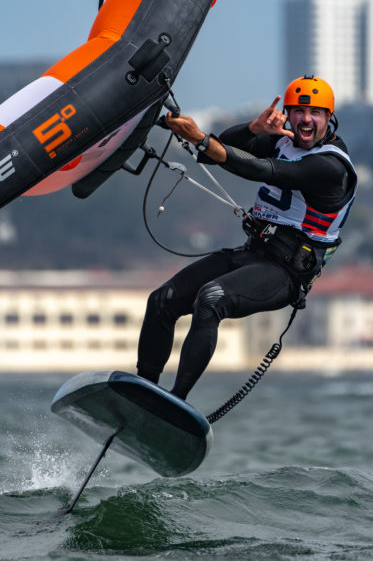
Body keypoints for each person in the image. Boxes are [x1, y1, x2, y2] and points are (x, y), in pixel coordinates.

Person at [135, 75, 358, 399]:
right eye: (298, 112)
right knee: (162, 300)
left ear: (329, 119)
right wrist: (254, 129)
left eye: (317, 114)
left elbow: (261, 169)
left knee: (211, 299)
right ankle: (142, 392)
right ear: (289, 115)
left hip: (285, 273)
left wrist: (200, 138)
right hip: (251, 254)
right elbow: (224, 146)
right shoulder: (282, 141)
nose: (306, 120)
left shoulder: (330, 166)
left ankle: (174, 401)